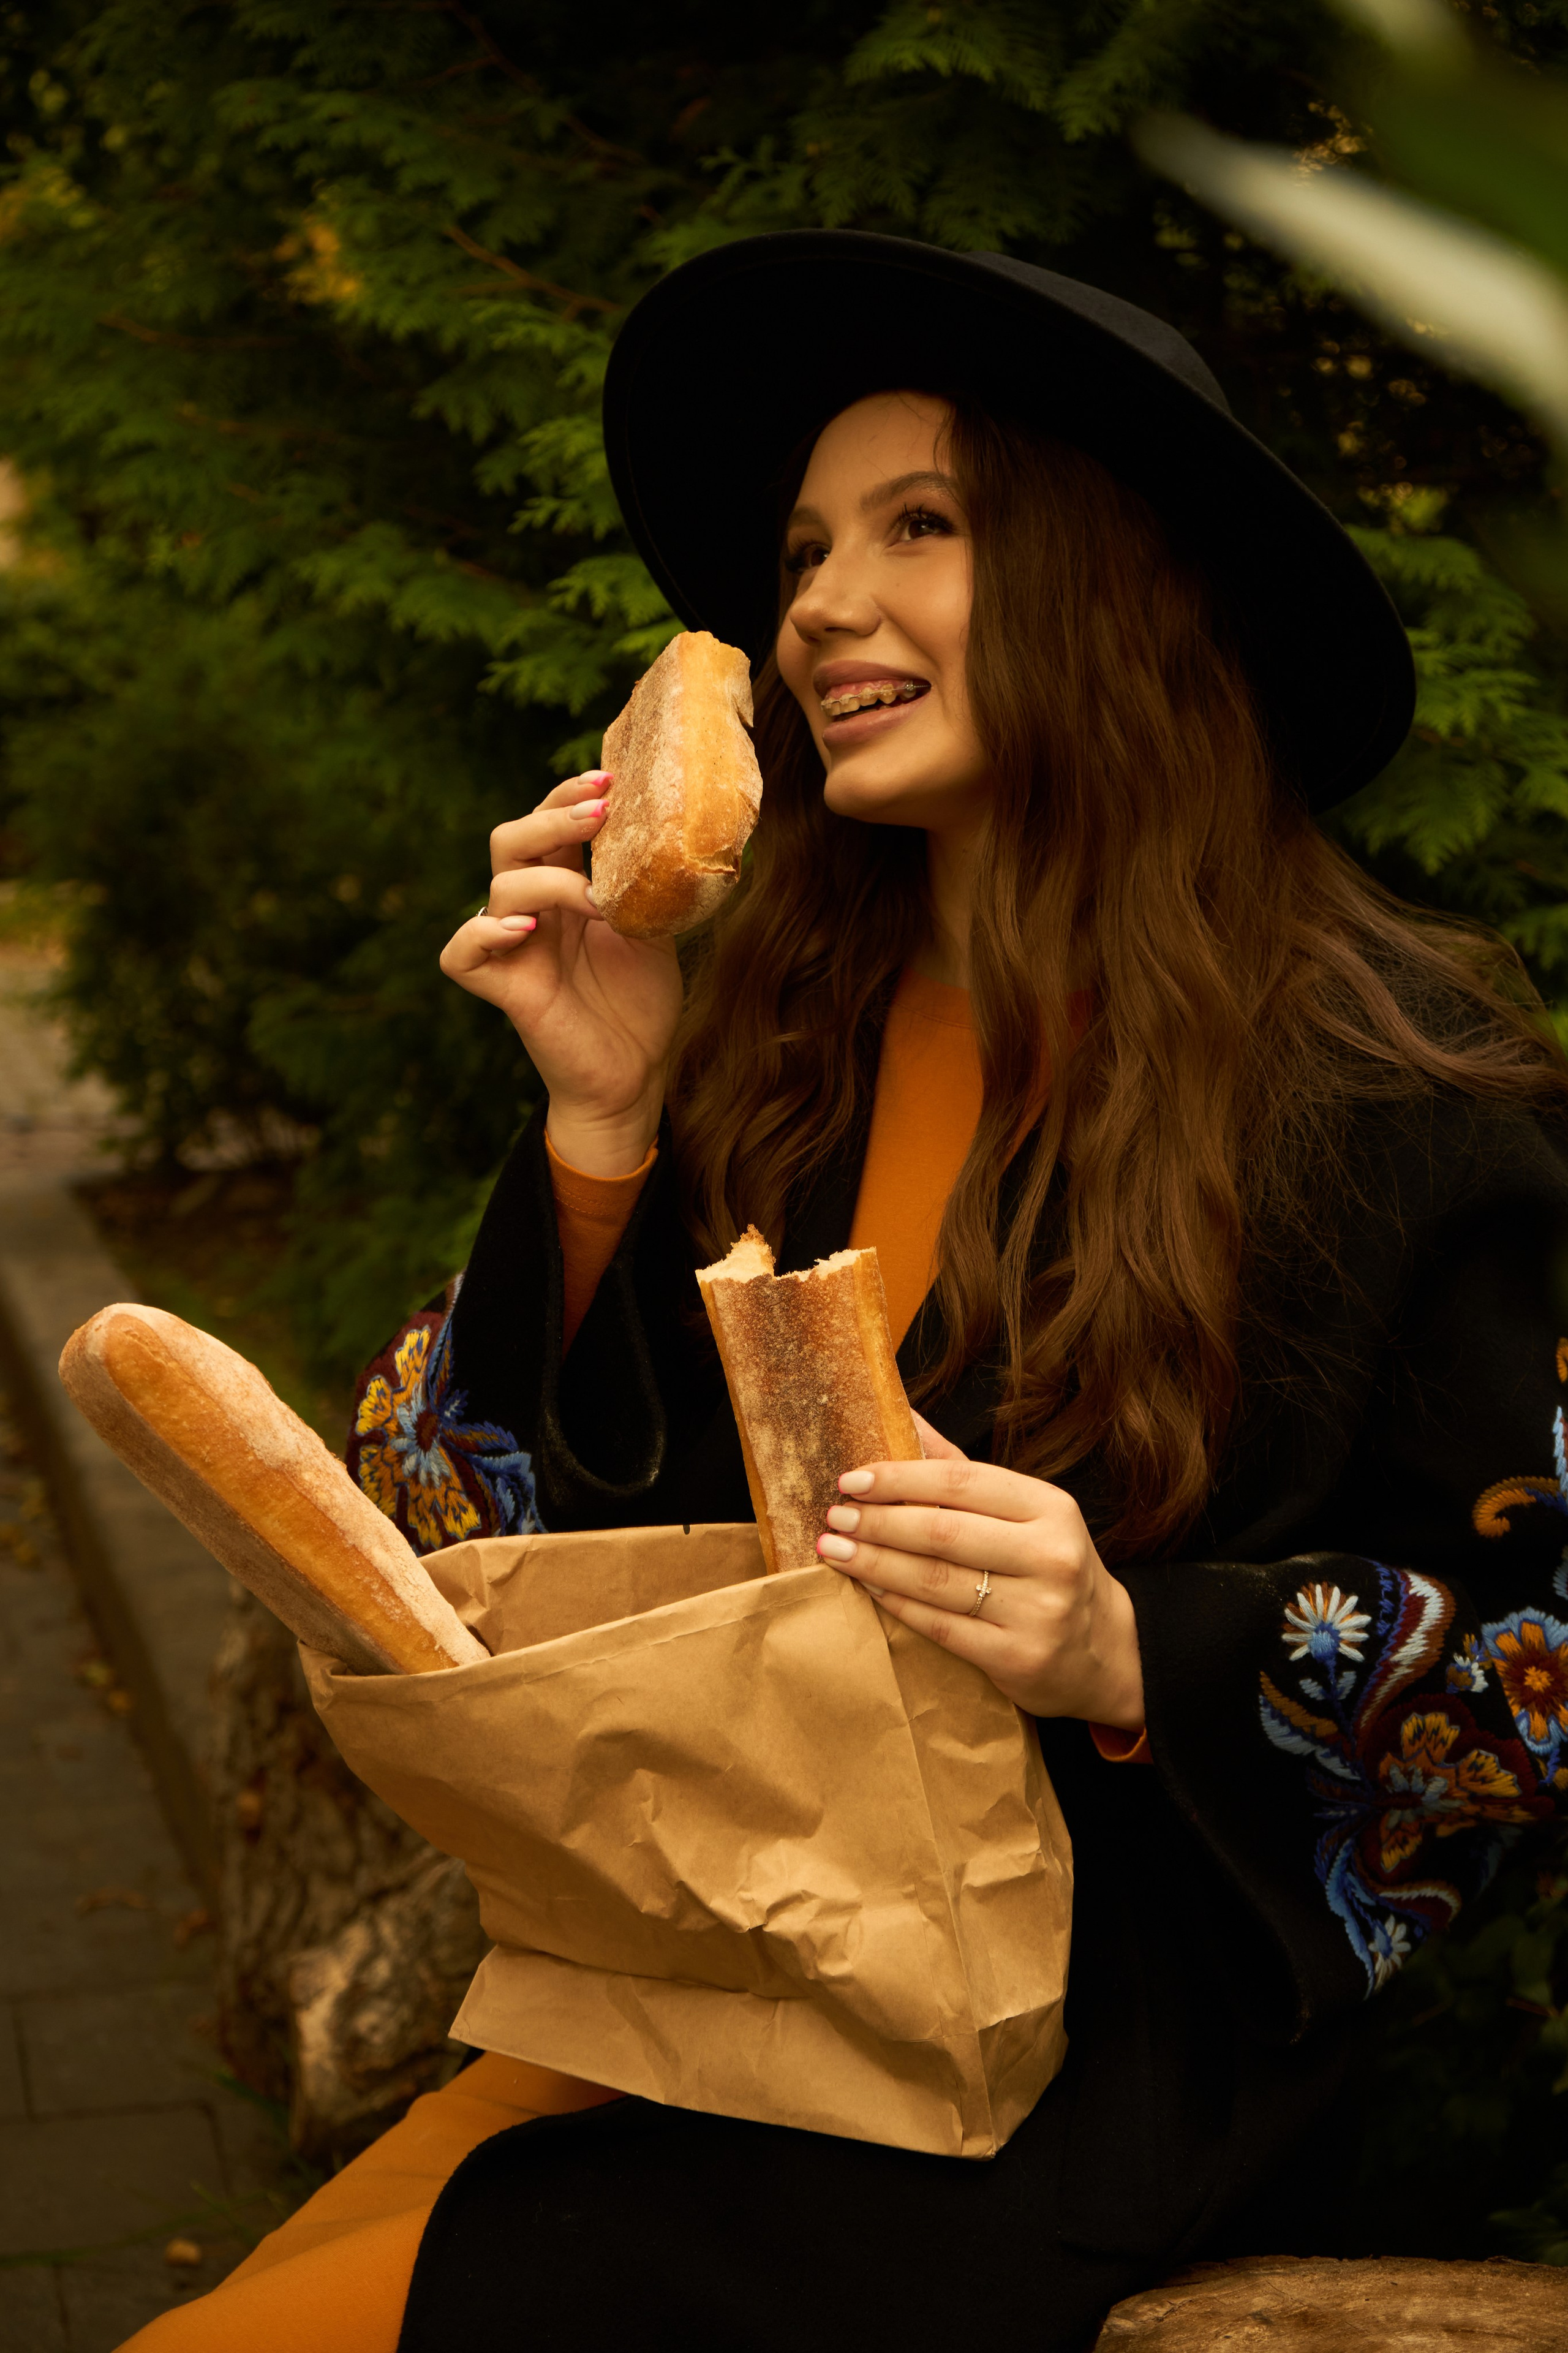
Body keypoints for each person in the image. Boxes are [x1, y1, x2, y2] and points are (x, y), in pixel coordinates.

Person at [126, 232, 1568, 2353]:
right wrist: (600, 1132)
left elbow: (1541, 1680)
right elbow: (451, 1556)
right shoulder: (777, 1038)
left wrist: (1125, 1643)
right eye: (805, 547)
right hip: (704, 1969)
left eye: (923, 525)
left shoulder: (1393, 1087)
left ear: (1117, 580)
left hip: (1059, 2079)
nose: (815, 603)